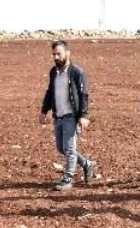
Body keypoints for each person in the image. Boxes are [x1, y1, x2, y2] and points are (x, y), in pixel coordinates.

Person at [39, 39, 98, 192]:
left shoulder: (77, 72)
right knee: (61, 147)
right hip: (58, 116)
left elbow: (83, 95)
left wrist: (84, 115)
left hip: (71, 115)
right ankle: (87, 164)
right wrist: (44, 110)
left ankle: (68, 179)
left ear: (67, 53)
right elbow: (50, 92)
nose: (56, 57)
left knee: (70, 149)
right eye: (54, 54)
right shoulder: (53, 72)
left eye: (58, 54)